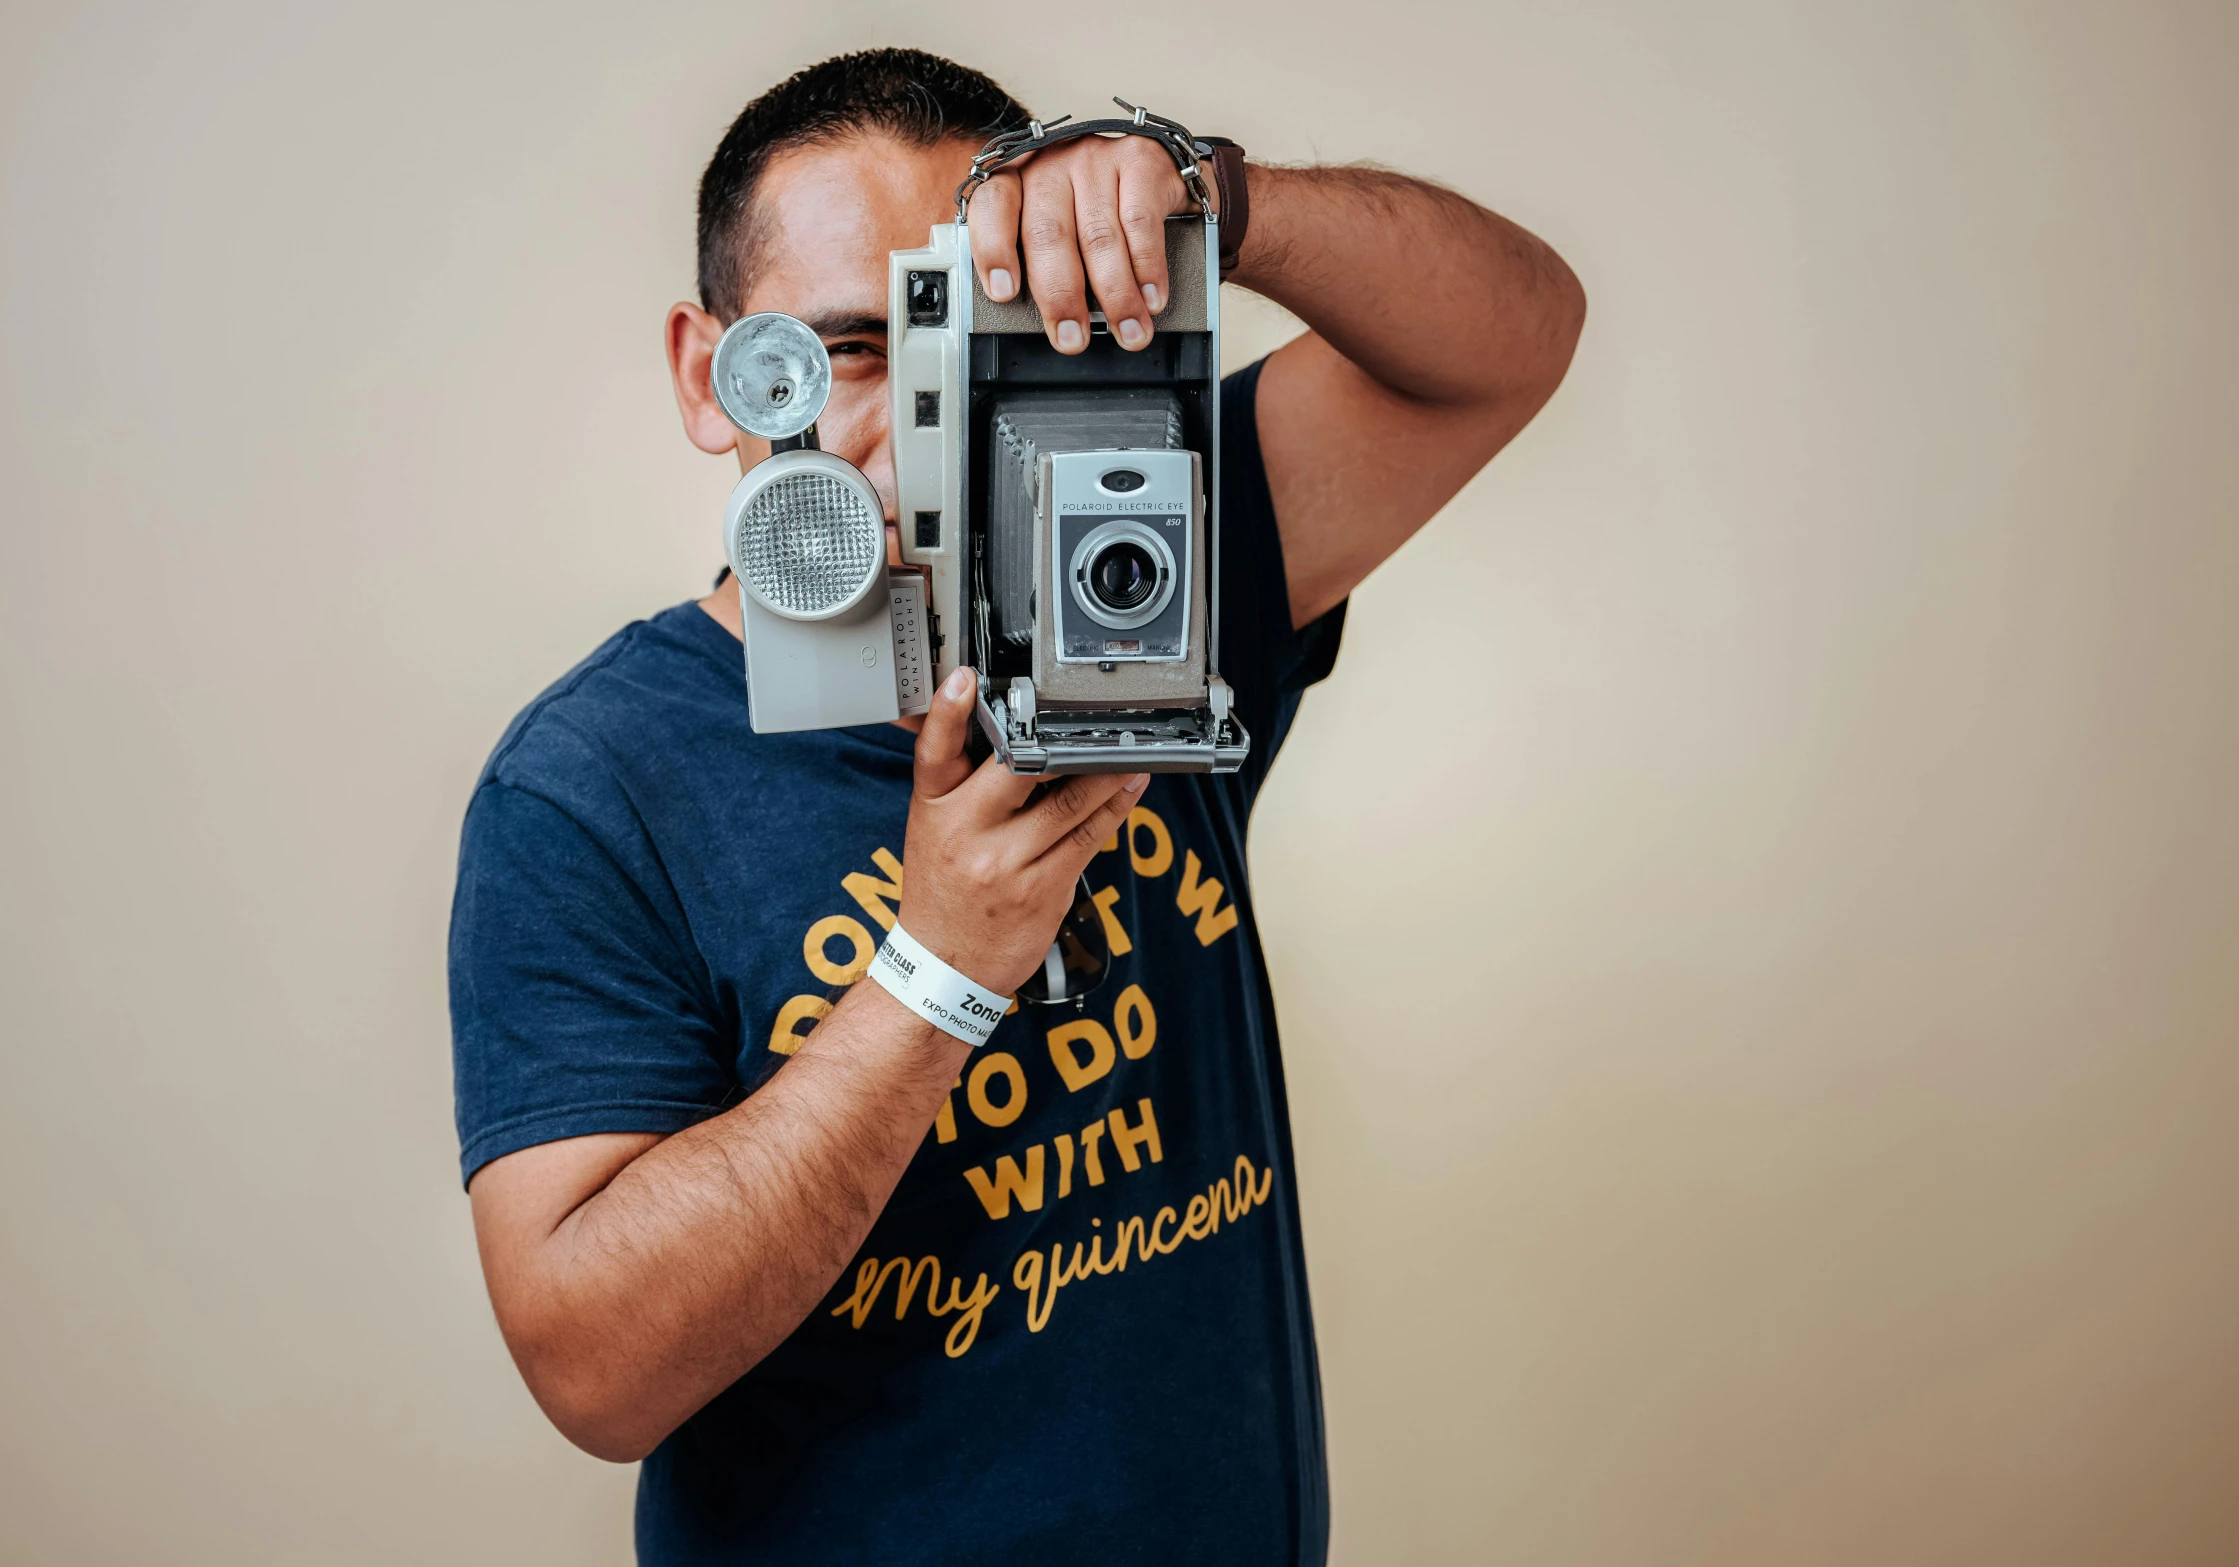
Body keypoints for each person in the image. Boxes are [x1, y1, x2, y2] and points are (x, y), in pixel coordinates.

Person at [449, 47, 1583, 1565]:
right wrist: (933, 970)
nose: (921, 429)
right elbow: (594, 1367)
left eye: (969, 346)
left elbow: (1512, 338)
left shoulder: (1138, 565)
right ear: (708, 375)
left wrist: (1216, 206)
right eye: (852, 351)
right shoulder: (588, 786)